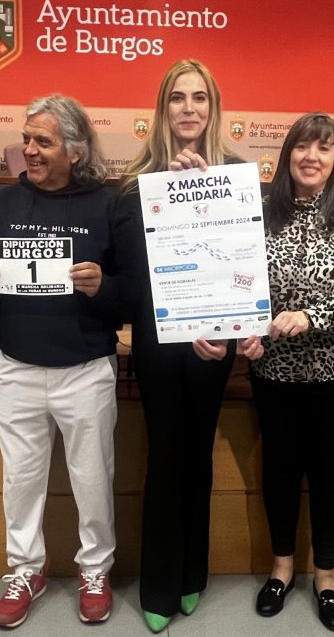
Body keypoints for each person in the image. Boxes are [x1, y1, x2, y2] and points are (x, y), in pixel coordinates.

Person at [196, 112, 334, 632]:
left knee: (330, 471)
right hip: (275, 368)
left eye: (324, 148)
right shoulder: (259, 211)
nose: (312, 157)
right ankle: (281, 569)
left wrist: (309, 317)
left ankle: (325, 575)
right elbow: (240, 280)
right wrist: (246, 330)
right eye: (303, 147)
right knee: (279, 468)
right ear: (287, 155)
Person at [0, 94, 122, 629]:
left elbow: (133, 293)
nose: (28, 150)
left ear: (75, 150)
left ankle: (95, 569)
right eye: (26, 139)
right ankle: (26, 569)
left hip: (86, 369)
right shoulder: (4, 203)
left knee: (93, 480)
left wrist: (105, 286)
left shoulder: (108, 204)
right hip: (18, 367)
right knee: (21, 480)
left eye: (42, 141)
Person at [114, 59, 242, 634]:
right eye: (177, 98)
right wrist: (173, 193)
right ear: (162, 108)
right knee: (165, 458)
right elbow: (131, 274)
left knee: (200, 456)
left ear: (212, 108)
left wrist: (232, 329)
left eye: (199, 98)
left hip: (214, 343)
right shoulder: (133, 183)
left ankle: (195, 572)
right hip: (161, 341)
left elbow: (244, 267)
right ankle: (161, 582)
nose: (189, 108)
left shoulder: (236, 176)